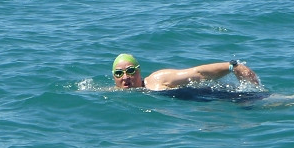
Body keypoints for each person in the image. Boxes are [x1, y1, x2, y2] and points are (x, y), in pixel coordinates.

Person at [111, 53, 261, 91]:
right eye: (119, 73)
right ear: (114, 77)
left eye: (130, 71)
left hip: (214, 96)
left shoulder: (157, 79)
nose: (125, 77)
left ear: (139, 72)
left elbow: (198, 73)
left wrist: (232, 66)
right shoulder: (116, 93)